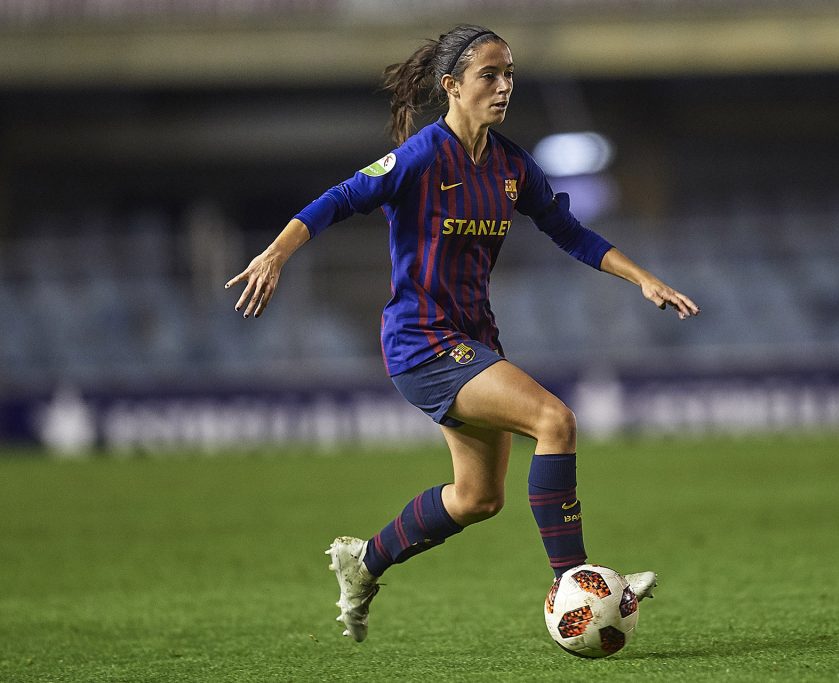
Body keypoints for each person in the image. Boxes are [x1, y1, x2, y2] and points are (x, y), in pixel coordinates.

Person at [225, 24, 699, 643]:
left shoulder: (509, 164)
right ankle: (577, 584)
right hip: (421, 341)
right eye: (490, 76)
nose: (504, 87)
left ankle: (364, 561)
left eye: (509, 76)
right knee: (554, 421)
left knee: (478, 498)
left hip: (472, 338)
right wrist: (276, 254)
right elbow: (338, 199)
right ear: (451, 86)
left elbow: (568, 230)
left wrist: (641, 278)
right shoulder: (421, 157)